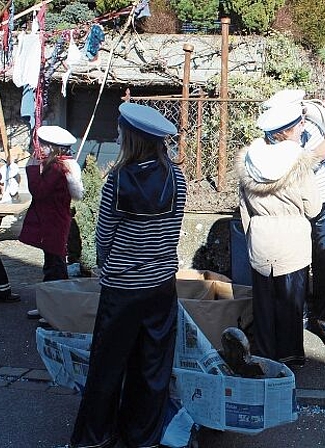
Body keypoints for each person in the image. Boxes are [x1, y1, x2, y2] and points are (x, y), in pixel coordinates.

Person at [68, 103, 186, 448]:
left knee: (108, 363)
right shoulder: (177, 178)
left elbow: (103, 235)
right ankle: (143, 436)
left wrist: (108, 264)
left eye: (120, 132)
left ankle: (95, 436)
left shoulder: (117, 180)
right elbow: (174, 228)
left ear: (131, 138)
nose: (117, 135)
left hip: (122, 287)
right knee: (153, 363)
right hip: (162, 283)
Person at [262, 89, 325, 350]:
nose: (303, 120)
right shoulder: (274, 138)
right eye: (298, 117)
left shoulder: (315, 116)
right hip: (295, 202)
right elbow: (310, 158)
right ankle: (294, 318)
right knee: (293, 261)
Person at [236, 101, 321, 368]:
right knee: (291, 304)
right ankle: (290, 356)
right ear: (288, 131)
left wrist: (254, 232)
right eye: (299, 125)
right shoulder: (298, 162)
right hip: (292, 241)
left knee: (263, 304)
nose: (302, 128)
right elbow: (313, 207)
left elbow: (243, 208)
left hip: (261, 238)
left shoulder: (250, 159)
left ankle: (263, 356)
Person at [19, 125, 83, 322]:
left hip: (54, 223)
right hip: (52, 221)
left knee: (56, 266)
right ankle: (48, 307)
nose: (41, 148)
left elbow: (39, 192)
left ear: (55, 148)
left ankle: (56, 310)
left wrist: (30, 167)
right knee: (51, 264)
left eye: (45, 145)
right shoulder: (57, 164)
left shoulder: (57, 167)